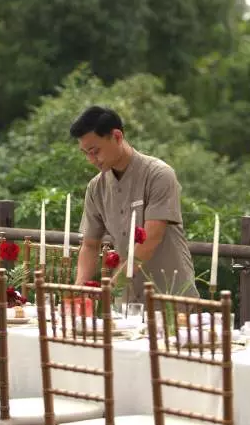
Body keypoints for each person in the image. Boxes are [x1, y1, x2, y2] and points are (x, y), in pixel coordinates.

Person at [70, 105, 198, 299]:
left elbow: (151, 239)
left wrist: (113, 287)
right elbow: (89, 245)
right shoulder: (96, 187)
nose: (91, 160)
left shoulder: (158, 174)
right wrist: (79, 290)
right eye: (85, 153)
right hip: (127, 301)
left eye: (95, 151)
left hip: (170, 295)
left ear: (117, 136)